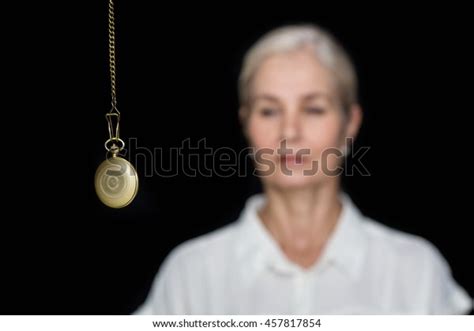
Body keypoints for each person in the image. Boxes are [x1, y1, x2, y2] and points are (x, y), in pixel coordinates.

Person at [135, 24, 472, 314]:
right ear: (245, 123)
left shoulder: (415, 270)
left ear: (350, 123)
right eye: (269, 111)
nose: (289, 132)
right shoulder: (192, 275)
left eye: (313, 109)